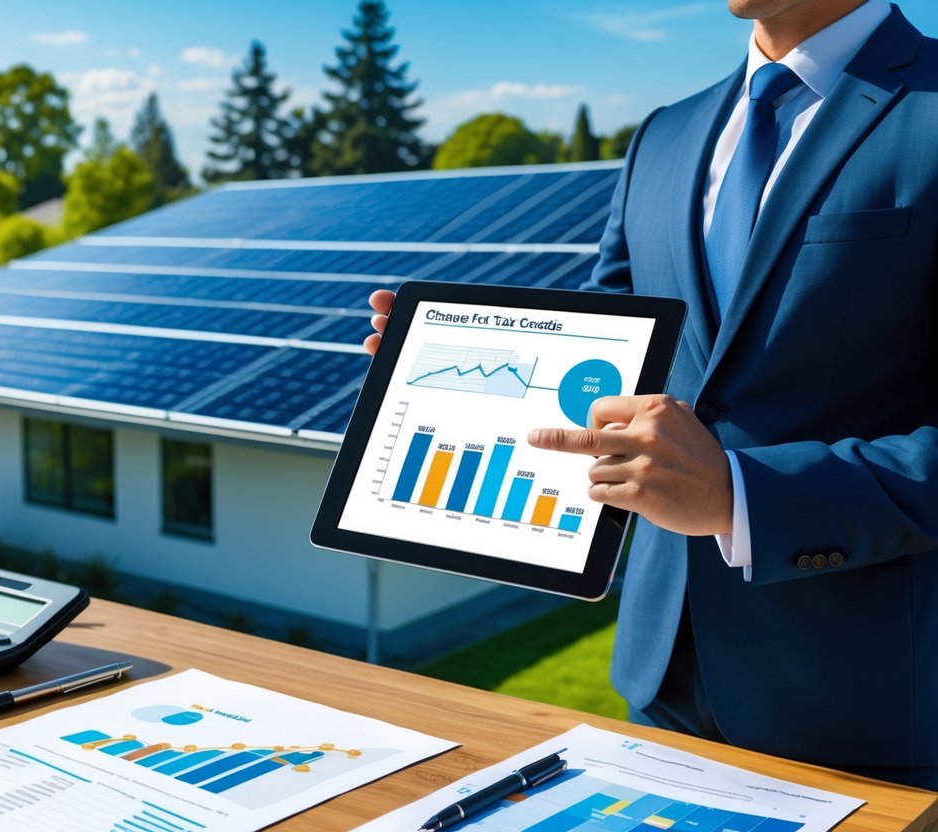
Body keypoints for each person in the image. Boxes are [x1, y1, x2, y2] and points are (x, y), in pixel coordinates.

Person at [366, 0, 938, 788]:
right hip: (658, 682)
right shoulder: (664, 136)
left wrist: (744, 496)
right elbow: (607, 360)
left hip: (867, 707)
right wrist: (444, 369)